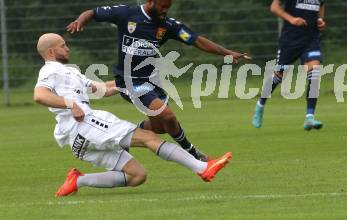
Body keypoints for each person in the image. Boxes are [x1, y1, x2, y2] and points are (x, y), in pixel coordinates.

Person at [66, 0, 249, 161]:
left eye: (168, 7)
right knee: (168, 115)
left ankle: (124, 139)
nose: (165, 10)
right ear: (151, 0)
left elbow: (197, 40)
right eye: (162, 6)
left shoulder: (168, 26)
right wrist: (79, 21)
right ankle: (195, 155)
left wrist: (227, 53)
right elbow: (93, 12)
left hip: (152, 82)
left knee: (162, 125)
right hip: (129, 82)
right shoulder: (127, 14)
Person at [33, 33, 232, 197]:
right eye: (63, 45)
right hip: (84, 124)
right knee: (148, 137)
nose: (67, 48)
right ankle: (202, 168)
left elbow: (101, 89)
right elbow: (40, 95)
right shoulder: (50, 70)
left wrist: (130, 79)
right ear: (51, 51)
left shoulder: (70, 72)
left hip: (77, 138)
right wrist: (70, 104)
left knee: (137, 176)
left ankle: (78, 180)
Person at [252, 0, 328, 130]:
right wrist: (291, 19)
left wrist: (320, 20)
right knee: (279, 75)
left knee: (315, 71)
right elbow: (274, 7)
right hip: (290, 39)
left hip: (311, 38)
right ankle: (260, 105)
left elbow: (321, 4)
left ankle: (309, 117)